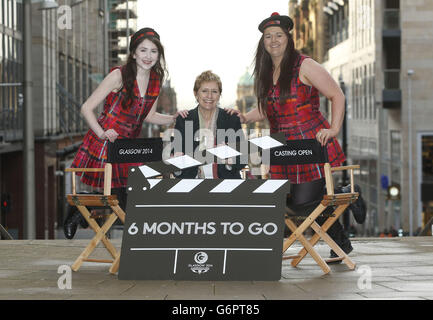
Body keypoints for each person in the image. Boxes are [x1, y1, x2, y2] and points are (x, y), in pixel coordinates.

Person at [227, 13, 365, 261]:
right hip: (281, 145)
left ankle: (342, 221)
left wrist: (334, 129)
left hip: (310, 140)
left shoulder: (305, 65)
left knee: (303, 203)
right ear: (263, 42)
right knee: (289, 201)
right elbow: (268, 108)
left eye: (278, 35)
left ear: (288, 38)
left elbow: (337, 95)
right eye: (268, 36)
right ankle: (341, 236)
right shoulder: (267, 71)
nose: (274, 40)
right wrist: (246, 117)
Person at [64, 27, 188, 239]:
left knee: (126, 199)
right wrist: (103, 133)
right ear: (133, 53)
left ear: (159, 55)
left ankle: (82, 209)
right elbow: (86, 107)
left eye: (153, 51)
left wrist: (174, 118)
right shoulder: (118, 75)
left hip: (129, 146)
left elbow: (149, 116)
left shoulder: (156, 80)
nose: (148, 56)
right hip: (107, 141)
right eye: (143, 50)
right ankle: (137, 249)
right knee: (128, 200)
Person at [173, 70, 245, 179]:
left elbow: (243, 158)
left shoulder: (231, 119)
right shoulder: (184, 120)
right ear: (196, 93)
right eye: (204, 91)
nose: (209, 96)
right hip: (192, 187)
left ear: (220, 94)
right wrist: (177, 166)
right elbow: (175, 160)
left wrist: (230, 161)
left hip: (226, 186)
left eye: (214, 91)